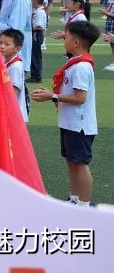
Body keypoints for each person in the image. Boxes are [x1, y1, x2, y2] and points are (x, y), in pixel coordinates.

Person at [30, 20, 101, 207]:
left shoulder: (81, 67)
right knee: (72, 161)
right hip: (70, 122)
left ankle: (84, 204)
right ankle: (76, 198)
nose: (64, 39)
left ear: (76, 42)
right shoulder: (74, 62)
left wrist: (52, 96)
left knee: (80, 163)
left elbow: (80, 97)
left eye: (66, 36)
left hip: (79, 124)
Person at [0, 28, 29, 122]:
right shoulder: (7, 62)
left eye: (7, 44)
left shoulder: (15, 67)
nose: (2, 46)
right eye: (1, 43)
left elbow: (12, 92)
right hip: (9, 111)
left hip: (13, 114)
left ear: (17, 49)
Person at [29, 0, 48, 82]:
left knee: (35, 55)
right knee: (33, 54)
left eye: (31, 0)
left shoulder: (40, 12)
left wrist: (29, 28)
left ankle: (36, 76)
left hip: (36, 34)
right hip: (35, 34)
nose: (31, 2)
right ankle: (34, 75)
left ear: (36, 1)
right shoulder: (37, 10)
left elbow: (39, 26)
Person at [103, 0, 114, 71]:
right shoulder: (112, 1)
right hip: (110, 22)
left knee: (113, 42)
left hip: (113, 22)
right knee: (111, 43)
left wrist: (105, 12)